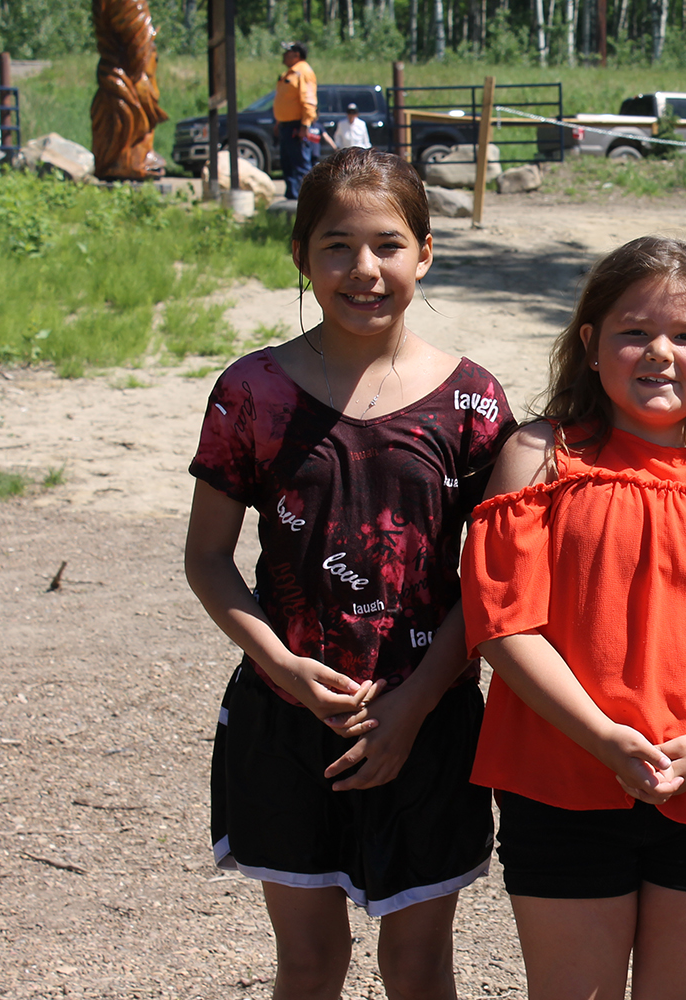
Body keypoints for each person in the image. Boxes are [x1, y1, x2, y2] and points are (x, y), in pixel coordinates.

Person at [186, 147, 514, 1000]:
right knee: (308, 962)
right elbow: (208, 557)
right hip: (285, 720)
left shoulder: (473, 404)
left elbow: (493, 582)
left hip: (430, 719)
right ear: (300, 255)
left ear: (425, 253)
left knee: (418, 964)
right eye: (337, 245)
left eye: (388, 245)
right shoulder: (251, 393)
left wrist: (414, 703)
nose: (364, 269)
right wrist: (281, 665)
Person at [461, 236, 686, 1000]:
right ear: (591, 344)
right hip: (561, 777)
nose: (660, 352)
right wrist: (602, 737)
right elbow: (504, 624)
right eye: (635, 332)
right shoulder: (541, 457)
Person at [274, 41, 318, 199]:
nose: (283, 56)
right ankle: (292, 198)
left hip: (297, 126)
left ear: (296, 55)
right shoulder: (290, 73)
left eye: (287, 52)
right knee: (287, 164)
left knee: (300, 164)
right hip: (286, 126)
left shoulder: (303, 72)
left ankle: (306, 198)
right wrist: (278, 122)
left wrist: (305, 125)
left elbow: (309, 100)